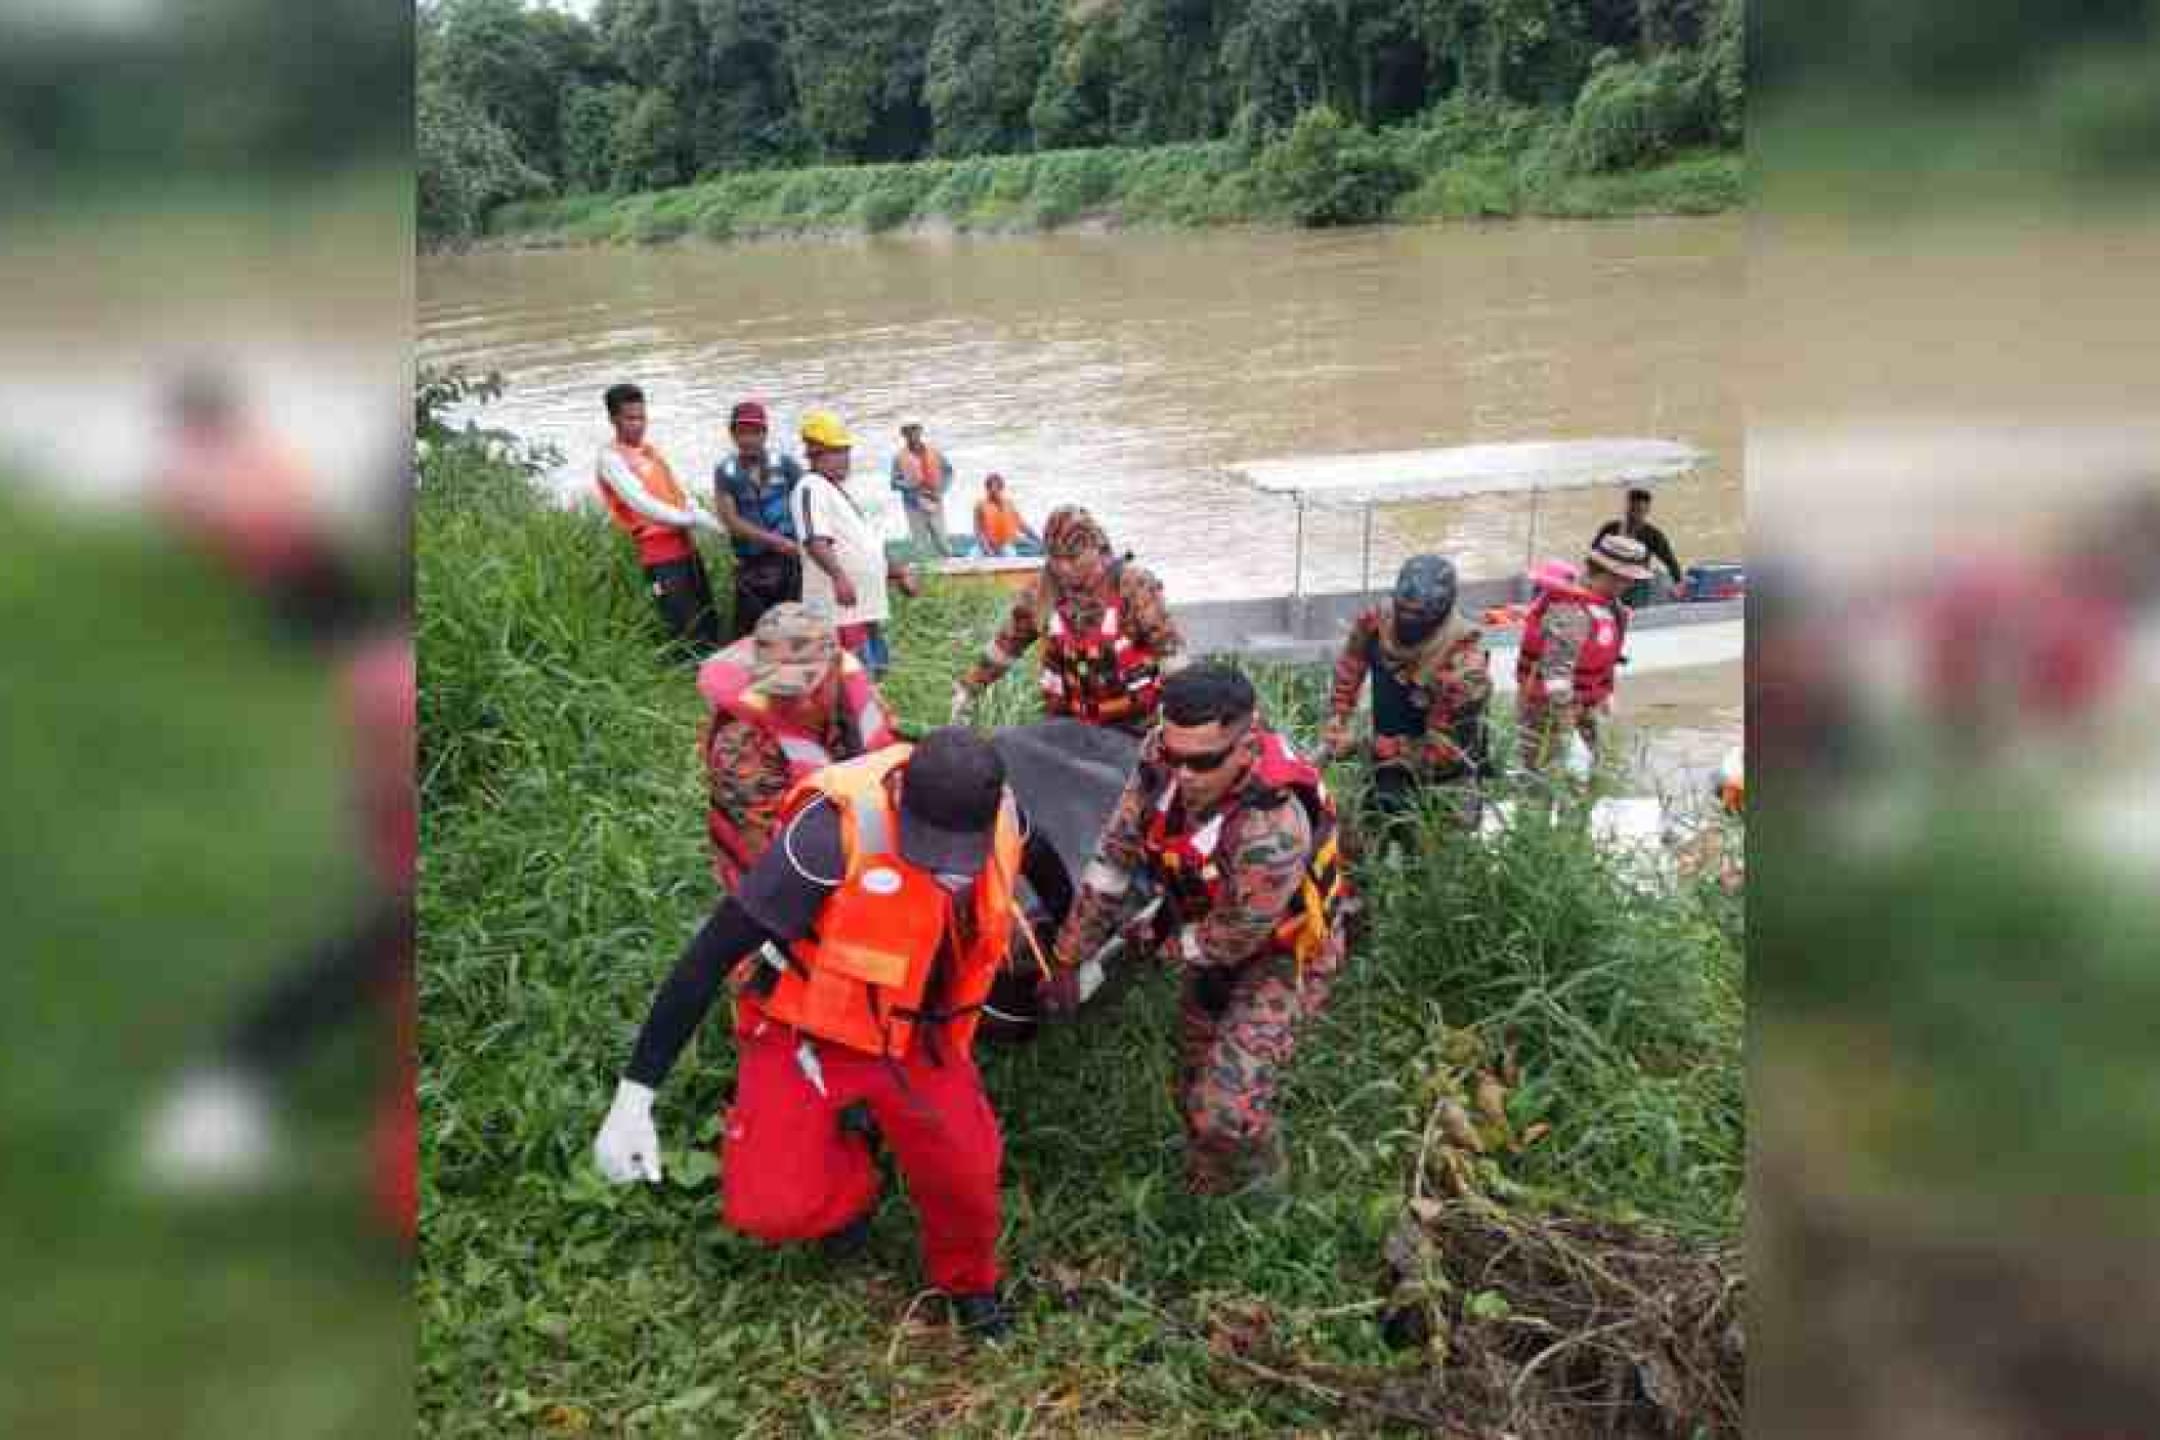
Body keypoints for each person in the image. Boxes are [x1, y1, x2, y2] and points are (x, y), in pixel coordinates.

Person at [590, 729, 1071, 1342]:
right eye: (930, 850)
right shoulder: (826, 838)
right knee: (770, 1207)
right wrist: (635, 1096)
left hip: (919, 1037)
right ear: (900, 796)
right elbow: (707, 958)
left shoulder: (1007, 818)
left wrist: (1067, 955)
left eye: (961, 855)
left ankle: (969, 1283)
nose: (946, 870)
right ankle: (853, 1189)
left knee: (967, 1174)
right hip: (808, 1029)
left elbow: (1052, 878)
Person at [1043, 665, 1350, 1197]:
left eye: (1203, 762)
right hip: (1204, 925)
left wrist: (1153, 944)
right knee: (1193, 1081)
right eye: (1174, 754)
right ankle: (1209, 1182)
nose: (1182, 775)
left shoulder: (1269, 831)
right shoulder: (1161, 759)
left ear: (1246, 745)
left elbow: (1233, 938)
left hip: (1282, 951)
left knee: (1224, 1109)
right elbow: (1113, 858)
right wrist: (1069, 956)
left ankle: (1263, 1188)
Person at [696, 603, 899, 890]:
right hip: (781, 862)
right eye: (784, 692)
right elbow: (761, 844)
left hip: (846, 833)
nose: (799, 705)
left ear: (834, 668)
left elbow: (888, 767)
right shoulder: (741, 740)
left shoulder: (862, 698)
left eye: (808, 688)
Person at [949, 505, 1187, 735]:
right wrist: (968, 688)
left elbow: (1169, 650)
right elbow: (1006, 647)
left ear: (1094, 548)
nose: (1063, 568)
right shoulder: (1041, 592)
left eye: (1073, 559)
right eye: (1055, 558)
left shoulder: (1132, 584)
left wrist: (1181, 713)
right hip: (1070, 724)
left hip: (1137, 722)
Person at [1323, 554, 1493, 834]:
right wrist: (1338, 714)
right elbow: (1351, 663)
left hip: (1443, 780)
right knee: (1361, 847)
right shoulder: (1377, 622)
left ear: (1438, 613)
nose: (1406, 619)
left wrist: (1359, 746)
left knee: (1432, 862)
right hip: (1384, 761)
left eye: (1417, 615)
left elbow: (1443, 751)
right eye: (1402, 609)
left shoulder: (1464, 667)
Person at [595, 383, 727, 653]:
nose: (639, 425)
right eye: (630, 418)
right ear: (613, 420)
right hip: (659, 556)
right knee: (685, 626)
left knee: (707, 617)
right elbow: (642, 504)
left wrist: (721, 527)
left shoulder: (650, 452)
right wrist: (690, 520)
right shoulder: (610, 459)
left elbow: (683, 497)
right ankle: (690, 680)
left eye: (642, 417)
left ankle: (715, 675)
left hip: (686, 547)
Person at [1516, 533, 1654, 778]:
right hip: (1547, 713)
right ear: (1608, 574)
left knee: (1588, 776)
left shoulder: (1610, 607)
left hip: (1584, 706)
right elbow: (1555, 678)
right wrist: (1568, 733)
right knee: (1540, 783)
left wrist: (1606, 695)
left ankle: (1581, 810)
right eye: (1626, 579)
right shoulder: (1570, 612)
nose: (1630, 585)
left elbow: (1605, 657)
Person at [792, 410, 918, 677]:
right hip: (839, 614)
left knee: (874, 675)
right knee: (852, 682)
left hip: (863, 608)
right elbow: (815, 539)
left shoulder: (835, 491)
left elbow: (865, 544)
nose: (845, 459)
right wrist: (838, 576)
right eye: (837, 451)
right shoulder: (810, 487)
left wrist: (897, 572)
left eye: (846, 451)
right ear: (815, 452)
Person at [711, 400, 805, 641]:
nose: (749, 438)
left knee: (794, 627)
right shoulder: (726, 472)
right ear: (732, 434)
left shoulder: (784, 465)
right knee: (752, 632)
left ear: (765, 433)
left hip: (790, 562)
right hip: (751, 564)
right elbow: (731, 520)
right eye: (742, 432)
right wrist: (773, 540)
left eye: (755, 432)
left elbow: (809, 497)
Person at [1594, 488, 1684, 607]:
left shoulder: (1653, 535)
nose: (1635, 516)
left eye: (1640, 511)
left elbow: (1670, 561)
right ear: (1626, 508)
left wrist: (1678, 583)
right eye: (1632, 510)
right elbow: (1594, 554)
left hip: (1637, 585)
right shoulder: (1610, 529)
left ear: (1647, 511)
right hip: (1610, 581)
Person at [889, 421, 954, 559]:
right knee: (920, 543)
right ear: (904, 435)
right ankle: (926, 571)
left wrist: (942, 489)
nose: (913, 434)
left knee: (942, 539)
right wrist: (910, 485)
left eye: (915, 430)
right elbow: (893, 483)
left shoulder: (934, 452)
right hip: (913, 504)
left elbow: (949, 472)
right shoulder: (899, 457)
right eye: (909, 431)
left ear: (920, 432)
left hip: (935, 500)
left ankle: (950, 566)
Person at [971, 473, 1039, 557]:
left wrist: (1037, 539)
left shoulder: (1009, 505)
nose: (993, 491)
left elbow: (1022, 526)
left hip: (1003, 546)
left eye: (997, 488)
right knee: (973, 557)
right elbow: (978, 532)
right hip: (983, 547)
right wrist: (987, 550)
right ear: (986, 489)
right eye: (990, 488)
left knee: (1011, 556)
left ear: (1001, 489)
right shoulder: (979, 506)